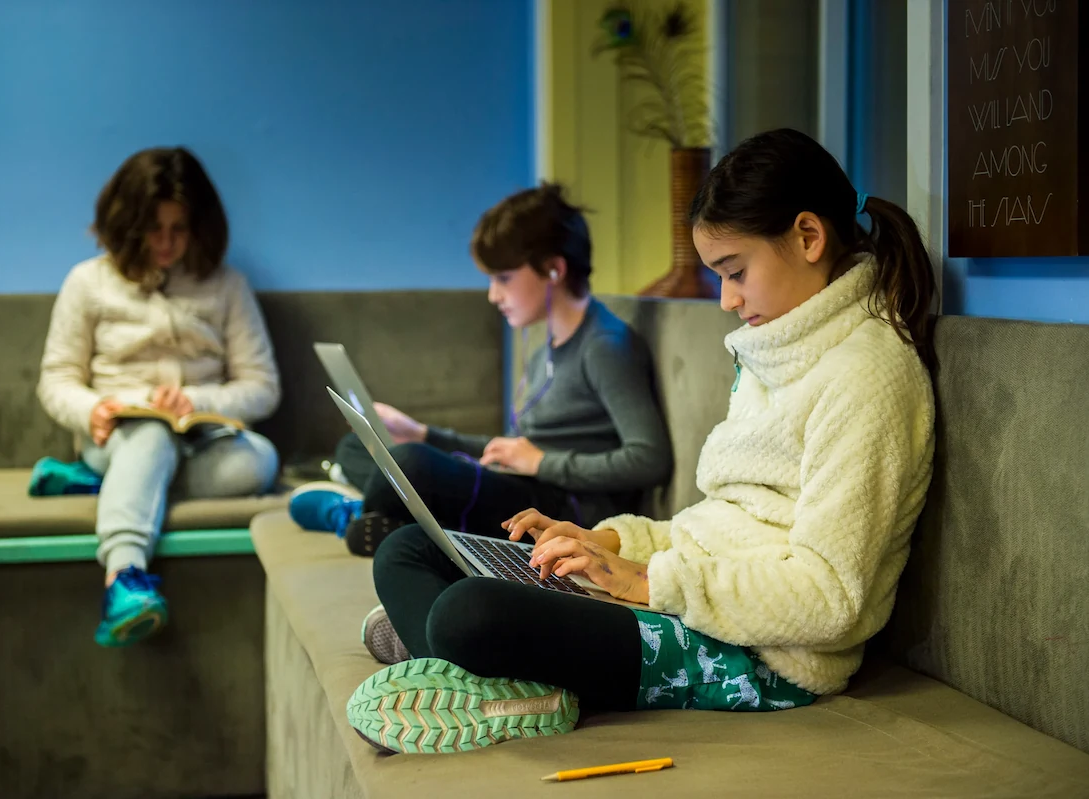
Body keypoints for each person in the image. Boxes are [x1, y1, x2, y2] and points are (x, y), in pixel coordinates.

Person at [343, 128, 938, 754]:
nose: (726, 301)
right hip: (687, 600)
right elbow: (713, 527)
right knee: (407, 549)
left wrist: (646, 583)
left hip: (757, 656)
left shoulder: (868, 378)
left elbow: (831, 599)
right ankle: (474, 670)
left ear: (809, 237)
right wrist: (608, 543)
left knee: (469, 614)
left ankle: (488, 671)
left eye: (735, 272)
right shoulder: (780, 347)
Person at [290, 183, 673, 558]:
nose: (493, 295)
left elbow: (649, 458)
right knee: (362, 444)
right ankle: (384, 514)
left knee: (411, 463)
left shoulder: (605, 346)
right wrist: (423, 432)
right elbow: (507, 453)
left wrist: (541, 462)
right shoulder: (547, 350)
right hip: (523, 485)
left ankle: (364, 513)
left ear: (554, 270)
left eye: (503, 278)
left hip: (559, 511)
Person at [37, 147, 281, 648]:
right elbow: (57, 379)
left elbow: (262, 387)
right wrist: (92, 410)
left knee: (260, 462)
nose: (166, 243)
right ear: (126, 223)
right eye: (153, 229)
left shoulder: (227, 286)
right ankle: (123, 578)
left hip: (203, 436)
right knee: (149, 437)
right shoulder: (87, 282)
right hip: (120, 436)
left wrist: (194, 401)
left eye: (179, 229)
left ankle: (109, 488)